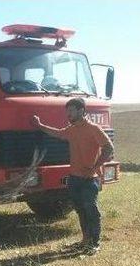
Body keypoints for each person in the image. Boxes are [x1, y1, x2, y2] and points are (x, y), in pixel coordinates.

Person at [31, 97, 114, 255]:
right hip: (75, 178)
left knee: (91, 210)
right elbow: (57, 133)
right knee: (80, 210)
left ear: (81, 111)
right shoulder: (72, 129)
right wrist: (39, 125)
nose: (68, 114)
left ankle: (95, 243)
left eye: (71, 111)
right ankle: (85, 240)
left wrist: (95, 167)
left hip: (90, 179)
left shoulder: (93, 128)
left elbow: (109, 148)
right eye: (67, 111)